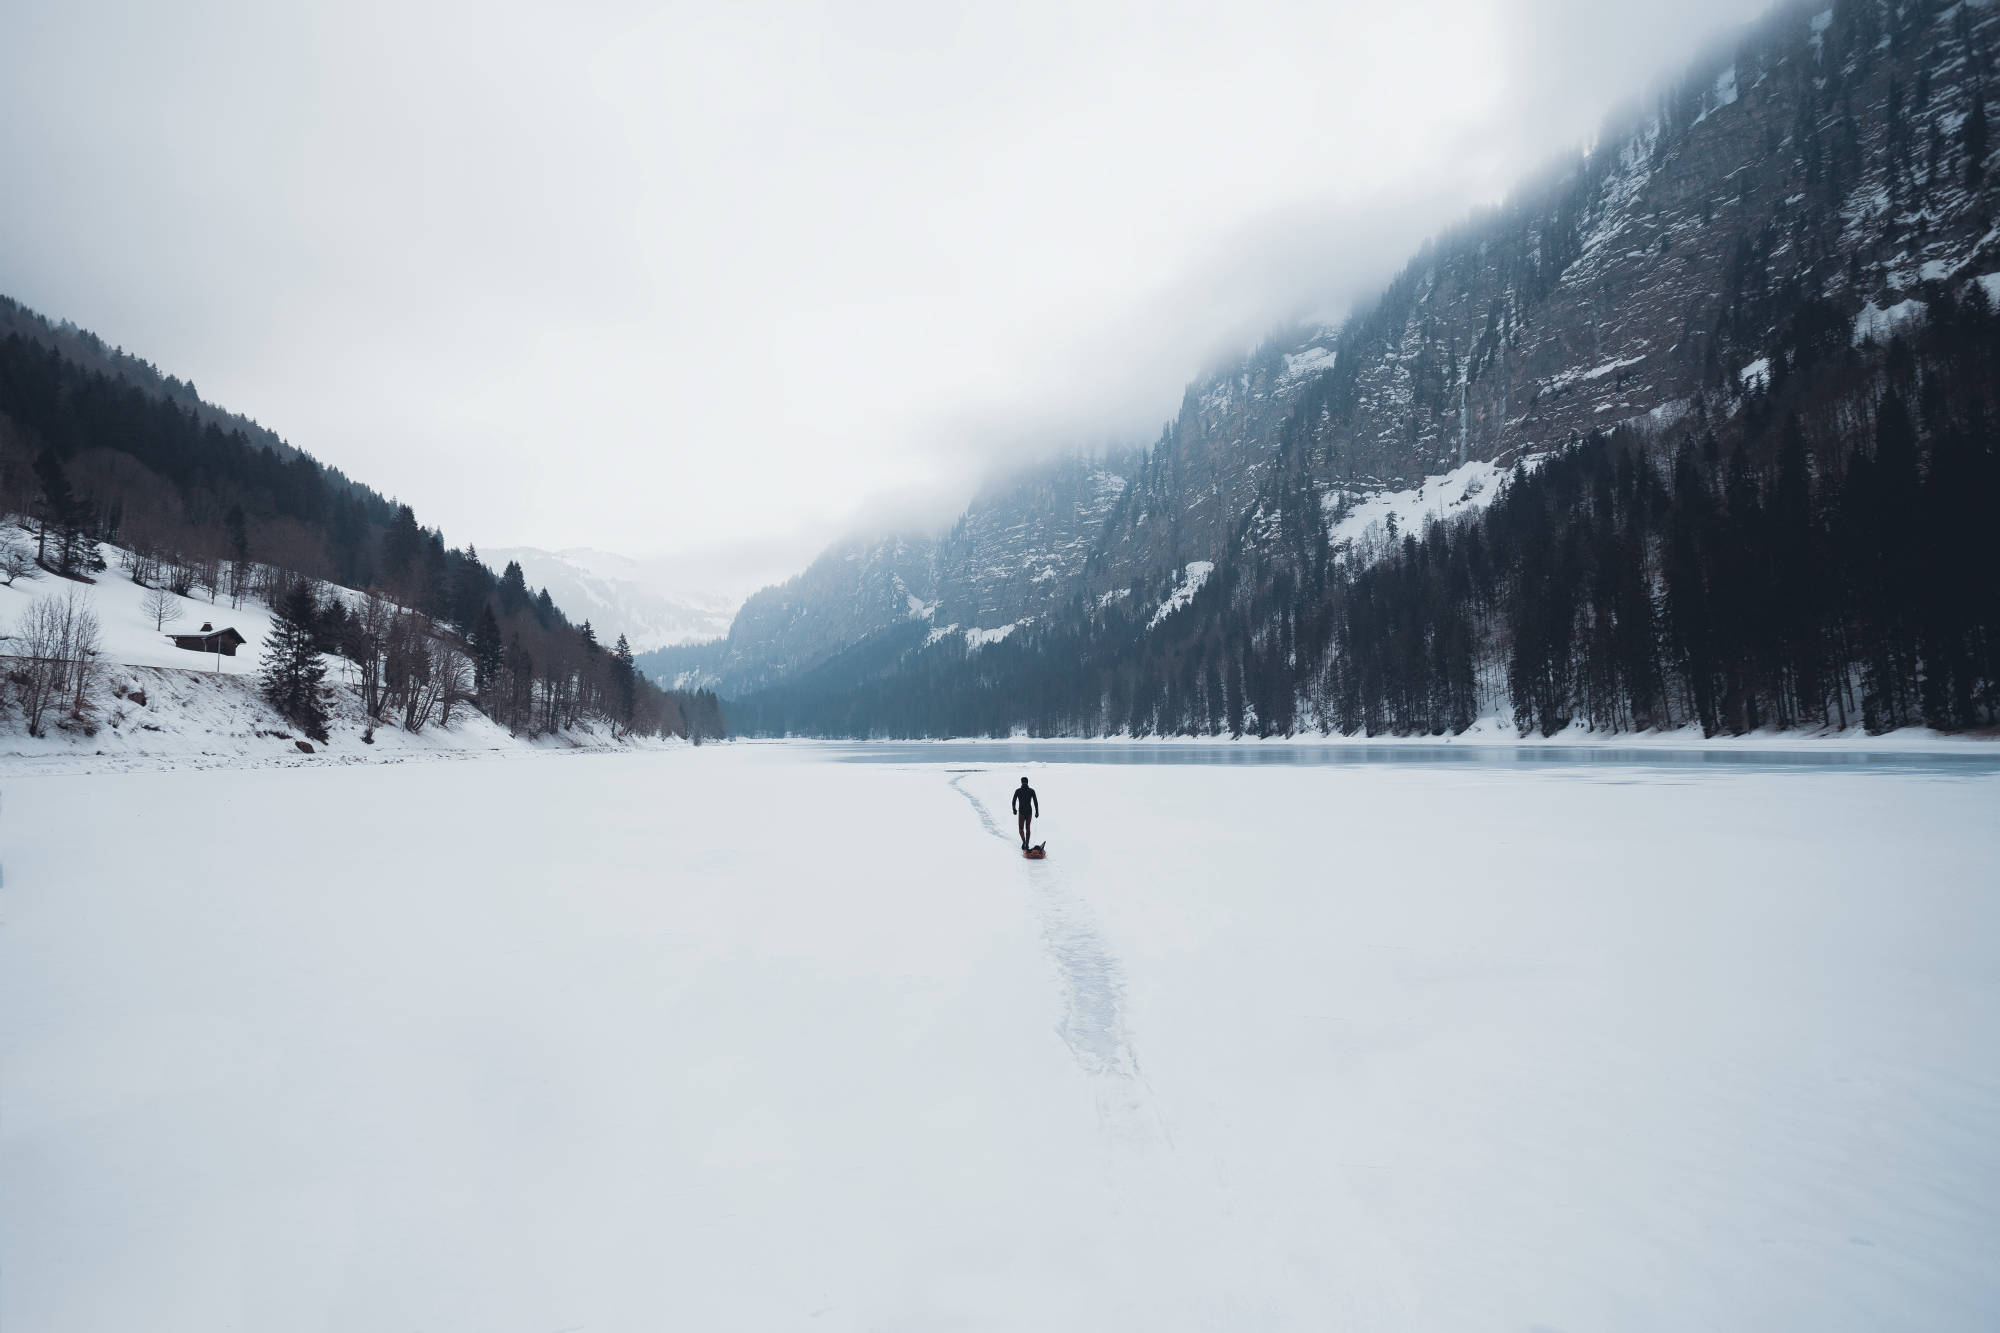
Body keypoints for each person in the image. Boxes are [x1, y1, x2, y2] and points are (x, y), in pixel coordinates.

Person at [1011, 776, 1039, 849]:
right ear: (1027, 782)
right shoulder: (1031, 791)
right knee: (1028, 828)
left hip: (1021, 812)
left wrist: (1014, 809)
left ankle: (1024, 841)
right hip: (1029, 811)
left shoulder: (1018, 791)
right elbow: (1035, 802)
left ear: (1021, 782)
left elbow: (1013, 801)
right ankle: (1026, 843)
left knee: (1021, 828)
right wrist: (1037, 811)